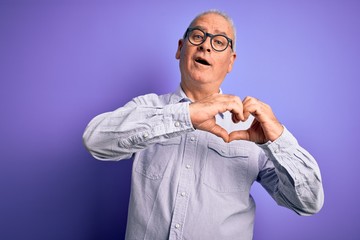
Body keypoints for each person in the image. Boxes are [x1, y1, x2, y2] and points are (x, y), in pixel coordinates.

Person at [83, 10, 324, 240]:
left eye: (219, 41)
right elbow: (95, 141)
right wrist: (185, 115)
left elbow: (309, 202)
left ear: (231, 62)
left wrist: (278, 140)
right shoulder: (148, 107)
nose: (206, 45)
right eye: (197, 36)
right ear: (180, 48)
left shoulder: (252, 128)